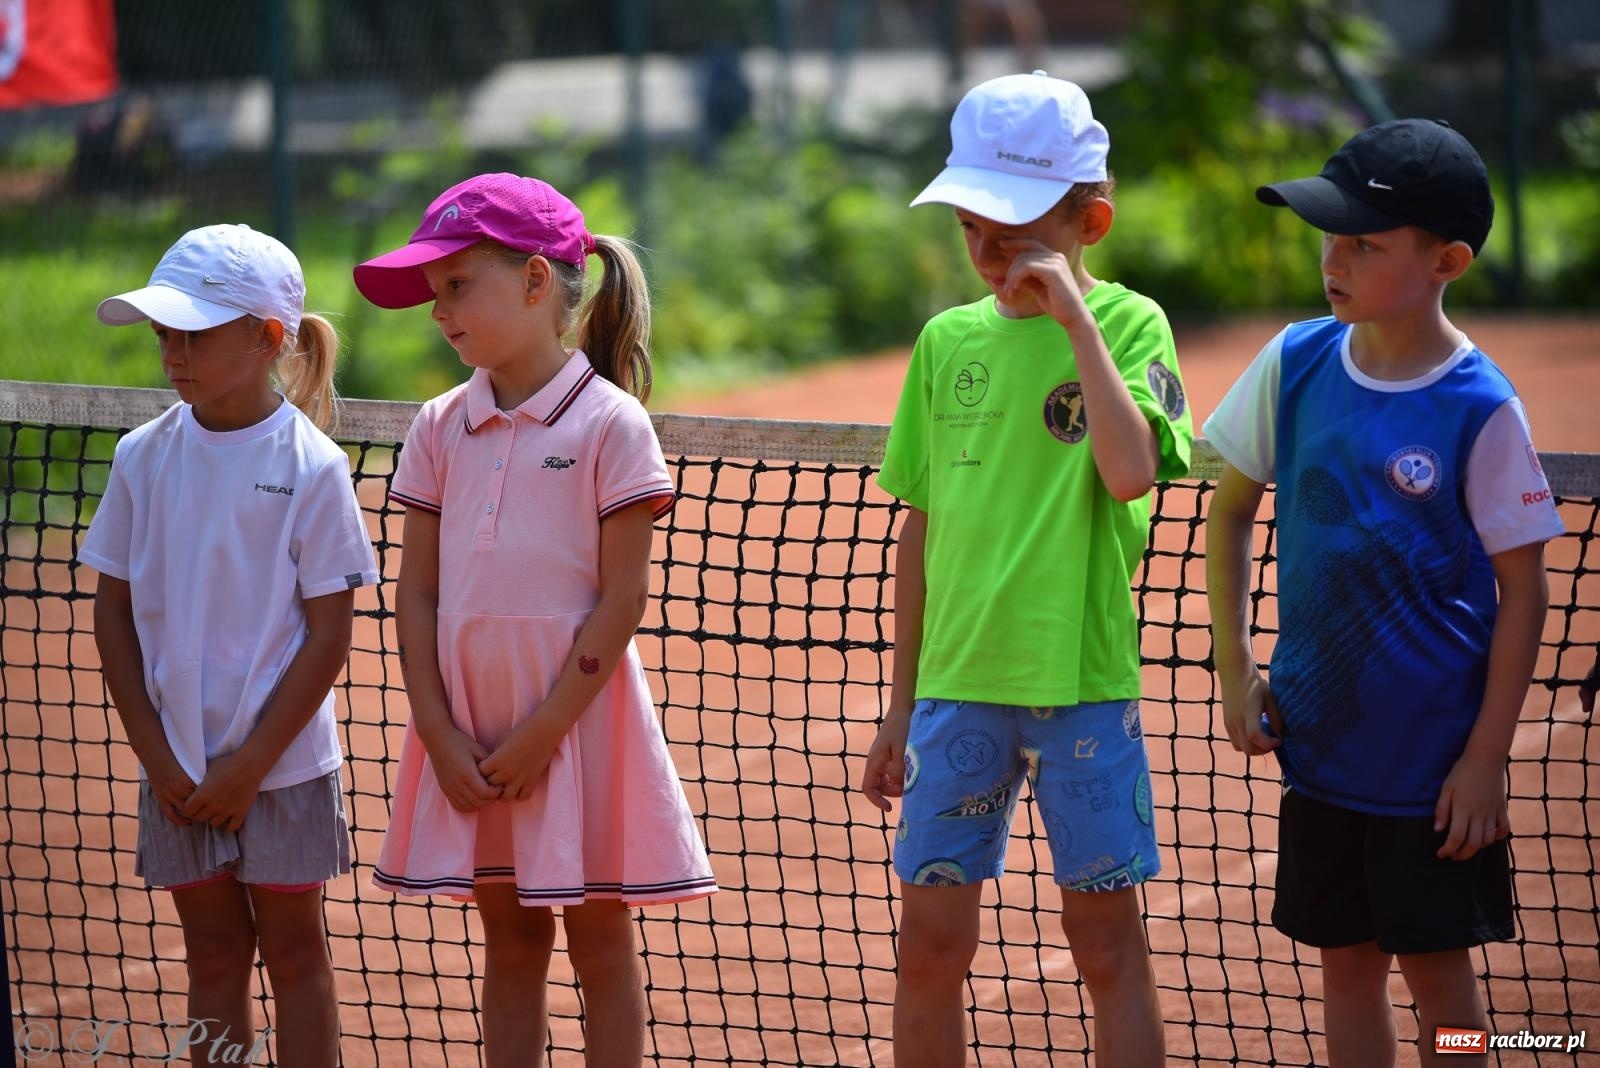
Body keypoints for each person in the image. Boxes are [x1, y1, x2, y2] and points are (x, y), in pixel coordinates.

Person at [1204, 119, 1565, 1066]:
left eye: (1364, 242)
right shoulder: (1295, 361)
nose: (1334, 259)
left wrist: (1485, 761)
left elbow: (1525, 594)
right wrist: (1234, 667)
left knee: (1441, 984)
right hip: (1321, 756)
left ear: (1448, 261)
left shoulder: (1480, 406)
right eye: (1330, 236)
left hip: (1432, 778)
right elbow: (1229, 512)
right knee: (1346, 970)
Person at [860, 73, 1192, 1066]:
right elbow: (919, 531)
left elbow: (1130, 473)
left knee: (1107, 949)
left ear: (1090, 222)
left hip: (1082, 689)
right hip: (955, 693)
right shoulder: (945, 342)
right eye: (973, 229)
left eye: (1015, 233)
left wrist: (1075, 324)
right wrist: (899, 704)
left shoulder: (1131, 326)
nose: (990, 254)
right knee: (929, 949)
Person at [353, 172, 717, 1067]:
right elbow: (416, 592)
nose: (439, 311)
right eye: (433, 292)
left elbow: (623, 600)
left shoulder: (612, 425)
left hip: (578, 728)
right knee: (510, 942)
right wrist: (438, 730)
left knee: (600, 944)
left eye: (456, 284)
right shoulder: (437, 425)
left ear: (534, 281)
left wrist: (544, 732)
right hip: (468, 732)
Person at [80, 223, 378, 1068]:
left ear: (267, 338)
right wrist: (159, 757)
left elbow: (329, 635)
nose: (173, 352)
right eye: (164, 333)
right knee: (211, 958)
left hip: (283, 772)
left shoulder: (315, 467)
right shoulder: (141, 457)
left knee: (294, 955)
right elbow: (112, 616)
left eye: (195, 333)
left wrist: (249, 766)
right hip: (173, 770)